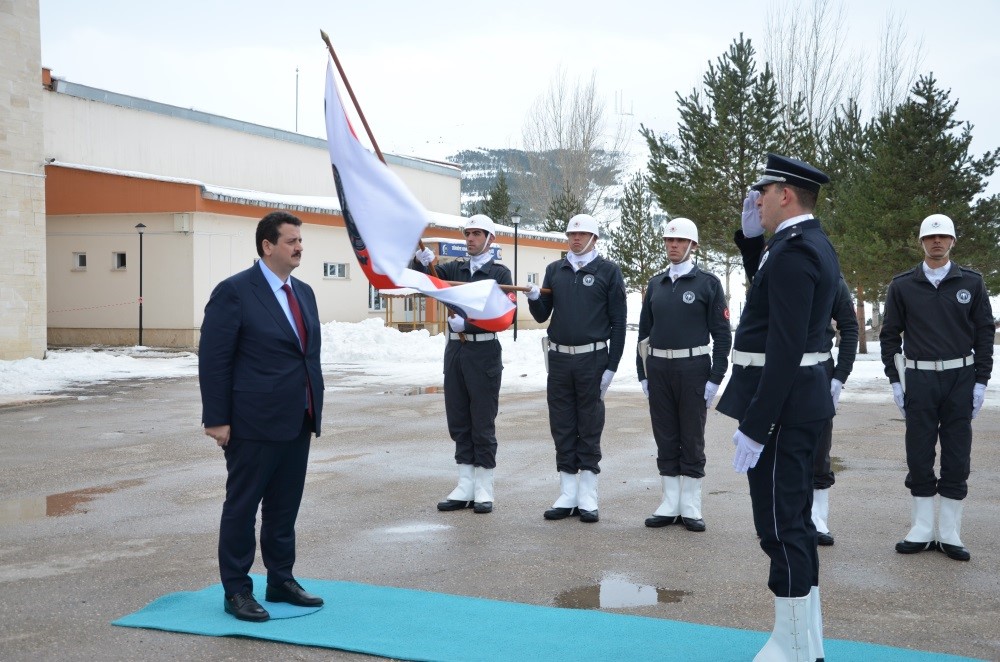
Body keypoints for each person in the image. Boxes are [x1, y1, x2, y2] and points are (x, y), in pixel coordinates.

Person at [716, 154, 839, 661]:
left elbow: (784, 347)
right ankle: (807, 638)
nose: (757, 201)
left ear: (785, 195)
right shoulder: (800, 244)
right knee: (797, 522)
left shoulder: (793, 252)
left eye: (762, 193)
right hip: (798, 404)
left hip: (782, 409)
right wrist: (749, 241)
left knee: (779, 525)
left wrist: (757, 425)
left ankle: (790, 644)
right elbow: (769, 299)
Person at [199, 211, 326, 622]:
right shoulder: (235, 291)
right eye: (291, 241)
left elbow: (307, 354)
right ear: (267, 246)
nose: (299, 247)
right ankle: (236, 589)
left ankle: (280, 579)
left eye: (300, 241)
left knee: (284, 506)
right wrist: (217, 418)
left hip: (297, 417)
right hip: (252, 421)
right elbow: (214, 360)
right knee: (242, 506)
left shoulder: (303, 291)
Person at [736, 201, 859, 546]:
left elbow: (849, 327)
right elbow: (764, 289)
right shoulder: (781, 260)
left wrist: (840, 375)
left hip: (816, 371)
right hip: (789, 369)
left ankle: (817, 517)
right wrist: (750, 240)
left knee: (817, 451)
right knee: (787, 458)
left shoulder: (825, 271)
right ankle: (795, 521)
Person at [879, 213, 993, 562]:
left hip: (960, 378)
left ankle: (950, 532)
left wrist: (981, 381)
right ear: (921, 242)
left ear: (953, 241)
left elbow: (984, 332)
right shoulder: (902, 285)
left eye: (943, 237)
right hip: (920, 379)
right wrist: (895, 380)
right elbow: (889, 336)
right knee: (919, 452)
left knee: (957, 455)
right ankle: (922, 529)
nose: (937, 242)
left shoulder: (971, 283)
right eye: (930, 237)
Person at [526, 213, 627, 524]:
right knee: (562, 423)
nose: (576, 238)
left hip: (592, 358)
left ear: (595, 239)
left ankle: (588, 493)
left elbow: (619, 323)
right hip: (558, 359)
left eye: (583, 234)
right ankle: (567, 491)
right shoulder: (555, 270)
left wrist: (611, 367)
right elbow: (543, 315)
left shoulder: (608, 271)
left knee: (589, 424)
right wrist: (533, 298)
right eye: (571, 234)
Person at [412, 214, 513, 514]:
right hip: (455, 351)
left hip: (483, 352)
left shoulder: (500, 273)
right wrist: (420, 261)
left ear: (490, 239)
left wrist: (468, 323)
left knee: (482, 419)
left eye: (477, 234)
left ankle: (484, 486)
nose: (470, 238)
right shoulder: (452, 268)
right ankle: (465, 483)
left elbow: (503, 315)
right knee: (458, 417)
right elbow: (422, 282)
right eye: (467, 233)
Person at [636, 217, 731, 532]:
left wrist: (715, 377)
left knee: (691, 436)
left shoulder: (708, 284)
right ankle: (669, 502)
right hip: (659, 368)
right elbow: (644, 333)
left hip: (693, 369)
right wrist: (643, 374)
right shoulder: (655, 284)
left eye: (679, 241)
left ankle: (690, 504)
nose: (672, 246)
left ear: (693, 246)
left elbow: (722, 335)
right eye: (668, 241)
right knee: (665, 435)